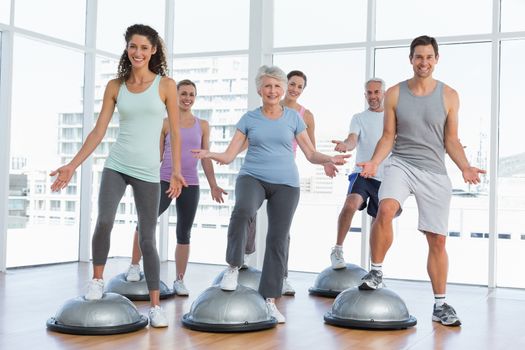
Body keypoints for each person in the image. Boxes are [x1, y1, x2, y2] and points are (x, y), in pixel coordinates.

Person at [50, 24, 186, 328]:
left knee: (148, 238)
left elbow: (175, 133)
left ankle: (154, 306)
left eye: (144, 48)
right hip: (117, 164)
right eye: (133, 47)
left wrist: (175, 171)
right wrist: (72, 165)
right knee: (105, 221)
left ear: (153, 51)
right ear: (127, 49)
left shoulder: (166, 85)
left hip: (148, 171)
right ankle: (97, 280)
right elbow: (99, 131)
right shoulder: (116, 86)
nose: (138, 53)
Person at [192, 65, 349, 323]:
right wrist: (210, 154)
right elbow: (231, 154)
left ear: (283, 89)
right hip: (252, 177)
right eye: (268, 86)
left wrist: (328, 159)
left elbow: (310, 154)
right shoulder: (249, 119)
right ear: (259, 90)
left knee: (277, 239)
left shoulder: (294, 118)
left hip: (286, 184)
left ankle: (270, 300)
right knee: (243, 210)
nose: (273, 91)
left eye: (277, 86)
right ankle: (233, 265)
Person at [357, 35, 486, 327]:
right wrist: (376, 161)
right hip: (401, 163)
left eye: (429, 57)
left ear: (436, 59)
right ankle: (376, 271)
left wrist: (464, 166)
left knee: (437, 241)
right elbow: (388, 135)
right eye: (418, 57)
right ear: (411, 59)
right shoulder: (395, 93)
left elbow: (450, 139)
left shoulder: (449, 95)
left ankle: (440, 305)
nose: (423, 62)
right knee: (386, 209)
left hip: (434, 171)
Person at [125, 79, 227, 296]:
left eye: (191, 94)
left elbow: (206, 158)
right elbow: (157, 156)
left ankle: (180, 280)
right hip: (164, 180)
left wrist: (214, 185)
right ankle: (134, 265)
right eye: (183, 94)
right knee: (145, 221)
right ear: (176, 95)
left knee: (184, 232)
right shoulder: (164, 123)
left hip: (190, 183)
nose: (187, 98)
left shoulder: (203, 125)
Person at [243, 70, 338, 296]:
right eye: (292, 84)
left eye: (300, 87)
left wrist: (325, 162)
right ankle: (242, 261)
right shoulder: (269, 105)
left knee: (281, 232)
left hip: (284, 174)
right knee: (247, 212)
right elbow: (251, 137)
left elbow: (310, 149)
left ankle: (282, 277)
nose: (295, 89)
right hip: (258, 169)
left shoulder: (304, 116)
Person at [329, 78, 386, 269]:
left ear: (383, 93)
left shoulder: (392, 118)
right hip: (362, 172)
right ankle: (337, 249)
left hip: (385, 177)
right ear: (365, 95)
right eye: (369, 93)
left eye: (376, 92)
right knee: (350, 204)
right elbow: (352, 139)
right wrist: (345, 145)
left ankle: (375, 268)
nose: (373, 96)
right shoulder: (359, 118)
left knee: (378, 223)